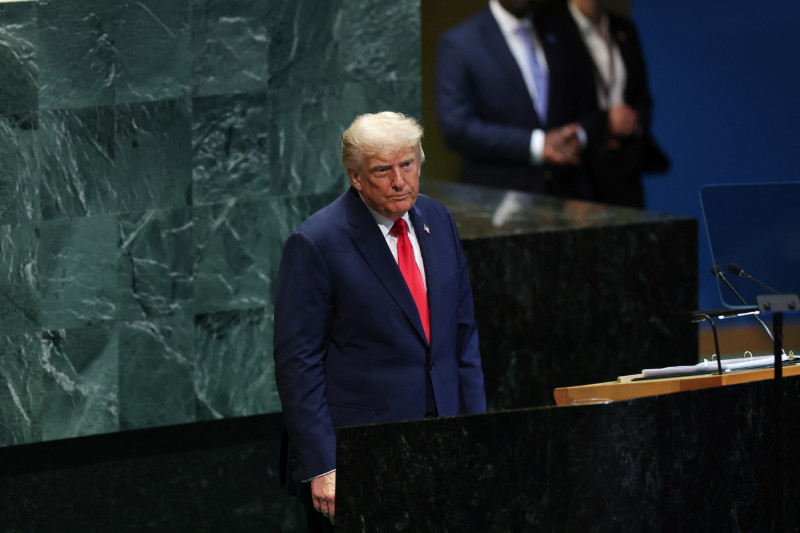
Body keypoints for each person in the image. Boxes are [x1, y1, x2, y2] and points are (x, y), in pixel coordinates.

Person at [273, 111, 487, 531]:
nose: (399, 181)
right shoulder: (317, 242)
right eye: (382, 170)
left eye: (407, 165)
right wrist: (322, 466)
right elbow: (298, 364)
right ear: (355, 177)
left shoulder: (439, 221)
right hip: (362, 452)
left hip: (441, 442)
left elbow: (463, 338)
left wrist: (478, 433)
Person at [435, 0, 606, 199]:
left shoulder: (562, 33)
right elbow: (457, 128)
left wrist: (578, 137)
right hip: (496, 200)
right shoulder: (461, 41)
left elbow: (592, 109)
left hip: (567, 194)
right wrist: (537, 144)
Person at [560, 0, 669, 208]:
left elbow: (642, 96)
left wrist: (632, 120)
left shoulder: (623, 28)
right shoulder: (552, 26)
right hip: (578, 168)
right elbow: (551, 103)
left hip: (624, 165)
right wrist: (604, 123)